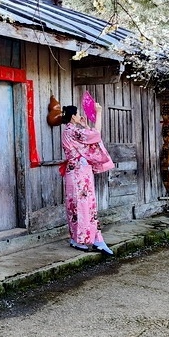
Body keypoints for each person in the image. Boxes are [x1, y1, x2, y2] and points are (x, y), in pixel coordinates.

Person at [59, 101, 115, 254]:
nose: (79, 116)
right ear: (72, 117)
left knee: (74, 205)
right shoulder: (72, 131)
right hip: (80, 173)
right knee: (85, 205)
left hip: (73, 171)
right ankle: (93, 240)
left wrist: (83, 125)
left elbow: (89, 138)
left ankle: (77, 238)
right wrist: (99, 113)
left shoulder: (68, 131)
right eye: (77, 114)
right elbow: (96, 135)